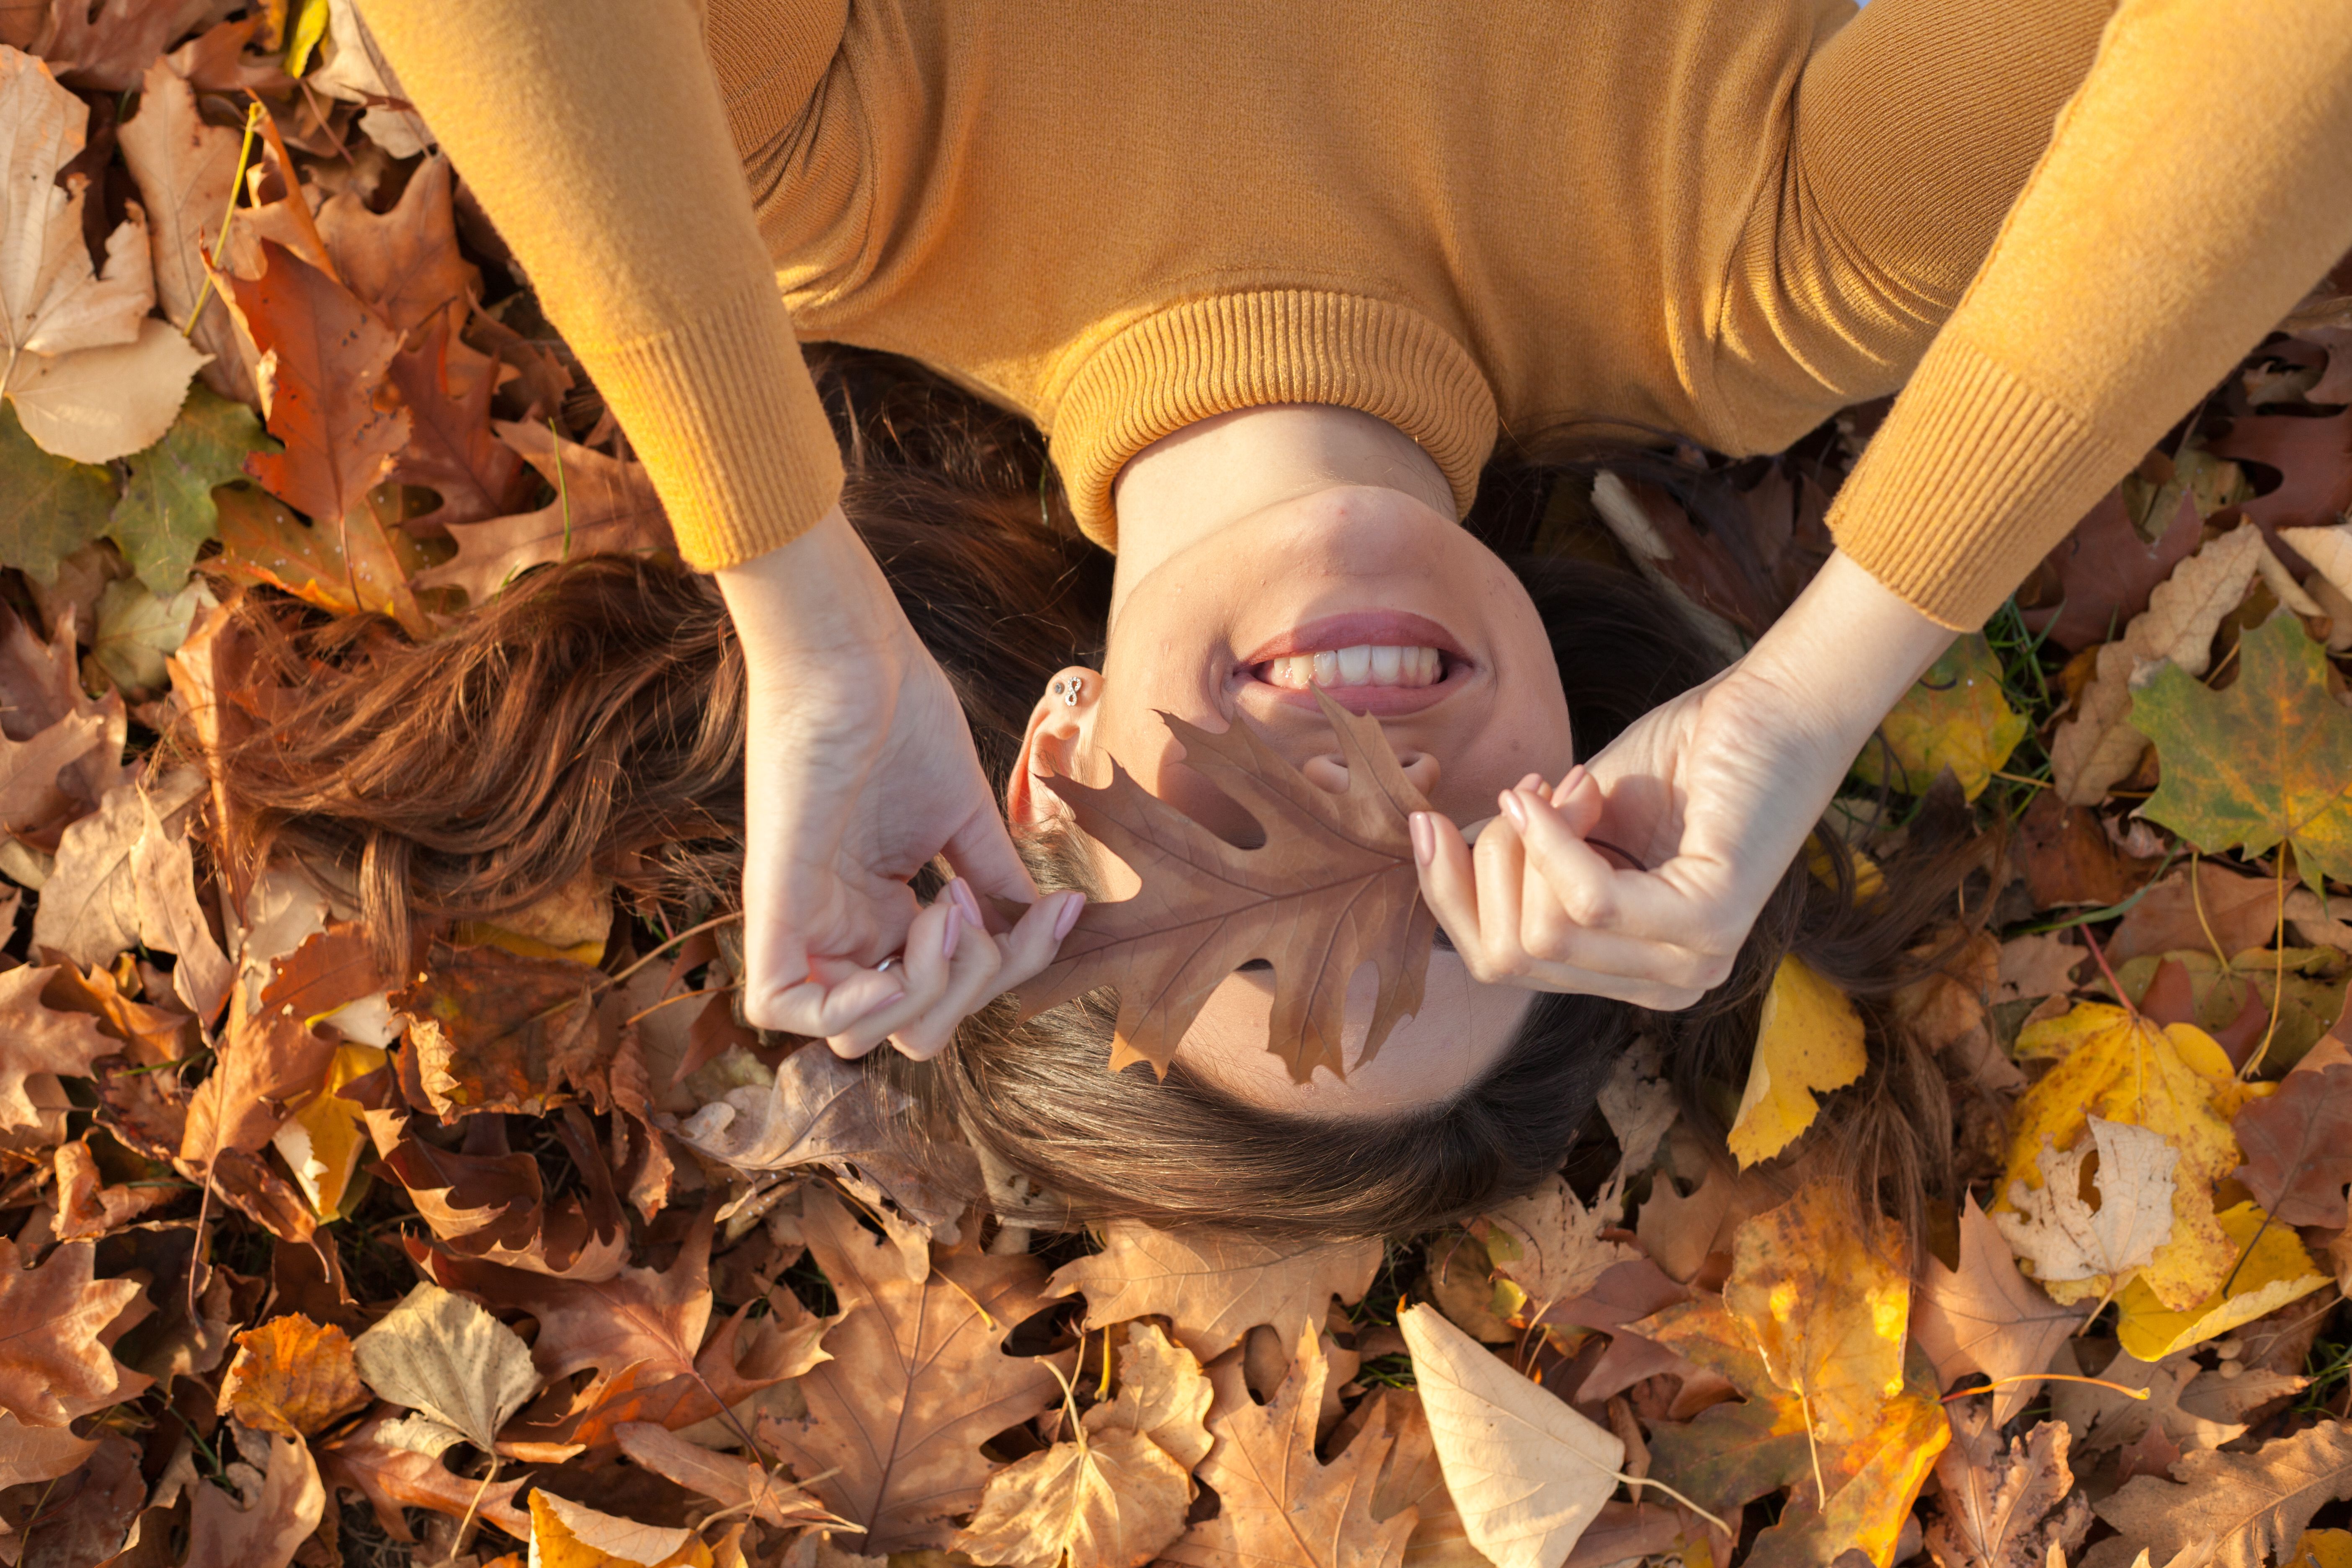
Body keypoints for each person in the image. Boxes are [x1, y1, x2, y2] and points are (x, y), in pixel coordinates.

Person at [254, 0, 2350, 1225]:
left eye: (1230, 879)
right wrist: (1825, 678)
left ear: (1044, 756)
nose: (1370, 793)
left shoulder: (830, 183)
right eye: (1468, 894)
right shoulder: (1765, 278)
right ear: (1601, 795)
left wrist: (797, 598)